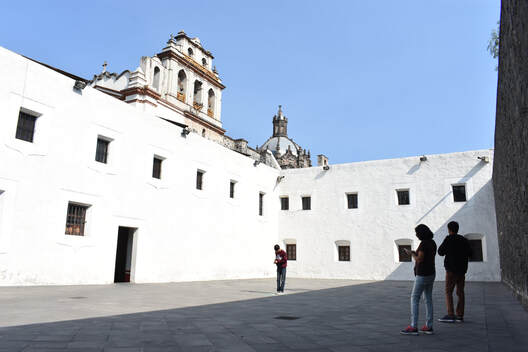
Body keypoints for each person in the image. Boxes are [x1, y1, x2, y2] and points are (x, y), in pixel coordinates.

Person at [401, 224, 437, 335]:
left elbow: (420, 259)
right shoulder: (432, 242)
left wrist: (412, 255)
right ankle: (429, 326)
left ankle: (413, 326)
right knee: (428, 299)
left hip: (422, 274)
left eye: (417, 233)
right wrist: (413, 252)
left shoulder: (424, 244)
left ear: (421, 233)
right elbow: (425, 256)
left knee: (415, 298)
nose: (416, 235)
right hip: (431, 273)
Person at [437, 221, 472, 323]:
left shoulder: (448, 239)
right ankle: (460, 315)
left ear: (449, 229)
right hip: (462, 270)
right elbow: (471, 253)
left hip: (451, 270)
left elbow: (440, 252)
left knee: (448, 291)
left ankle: (450, 314)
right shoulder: (464, 240)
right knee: (460, 292)